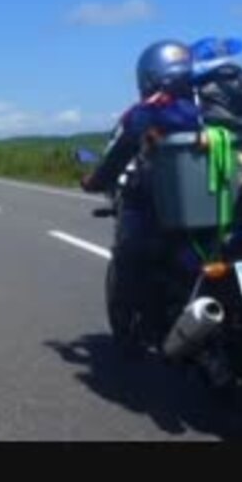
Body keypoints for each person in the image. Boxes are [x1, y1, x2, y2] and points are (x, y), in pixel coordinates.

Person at [79, 40, 205, 342]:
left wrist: (94, 181)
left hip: (172, 212)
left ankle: (141, 322)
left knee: (132, 251)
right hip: (235, 204)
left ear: (148, 76)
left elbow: (118, 152)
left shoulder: (150, 111)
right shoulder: (218, 106)